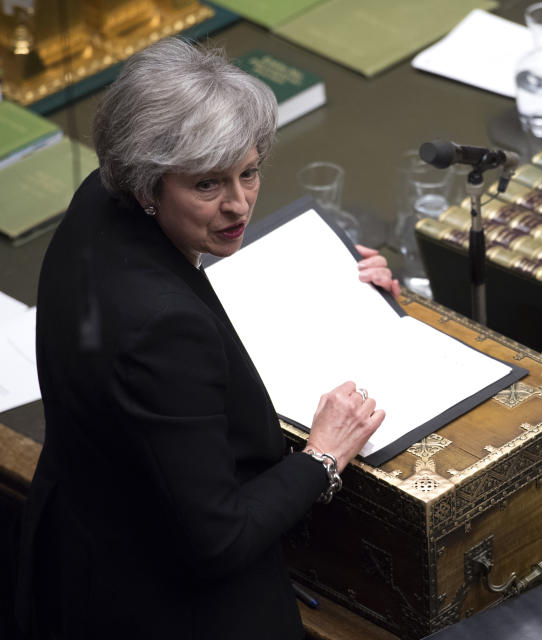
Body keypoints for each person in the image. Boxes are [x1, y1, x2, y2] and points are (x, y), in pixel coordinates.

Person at [15, 37, 400, 639]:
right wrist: (323, 455)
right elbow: (217, 541)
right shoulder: (161, 330)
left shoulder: (102, 197)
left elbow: (176, 289)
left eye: (249, 173)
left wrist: (327, 281)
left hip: (78, 544)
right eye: (208, 186)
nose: (239, 203)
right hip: (167, 609)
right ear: (148, 185)